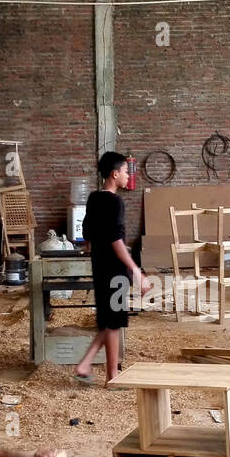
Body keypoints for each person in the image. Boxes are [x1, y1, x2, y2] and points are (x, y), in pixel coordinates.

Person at [73, 151, 152, 386]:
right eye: (126, 172)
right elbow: (116, 242)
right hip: (114, 270)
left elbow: (87, 235)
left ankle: (85, 364)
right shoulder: (115, 201)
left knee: (109, 320)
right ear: (115, 174)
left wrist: (97, 249)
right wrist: (137, 272)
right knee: (114, 323)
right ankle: (112, 377)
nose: (129, 176)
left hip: (99, 266)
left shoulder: (93, 198)